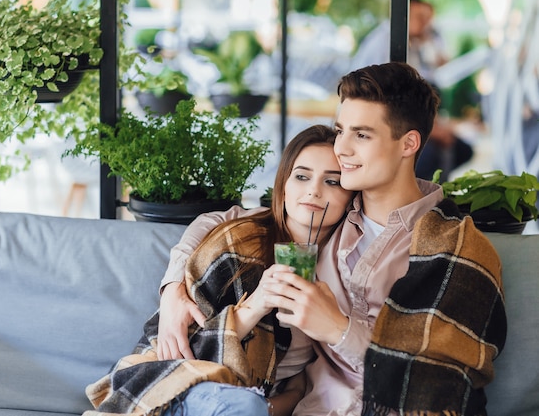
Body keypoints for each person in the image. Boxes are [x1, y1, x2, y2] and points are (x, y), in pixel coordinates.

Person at [157, 62, 506, 415]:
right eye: (341, 131)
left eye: (362, 135)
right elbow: (224, 219)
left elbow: (441, 383)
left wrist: (338, 329)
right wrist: (173, 289)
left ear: (408, 143)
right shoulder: (329, 214)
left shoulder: (455, 247)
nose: (342, 148)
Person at [82, 125, 355, 416]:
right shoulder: (238, 241)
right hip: (182, 383)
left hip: (248, 400)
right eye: (302, 176)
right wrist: (254, 303)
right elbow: (187, 348)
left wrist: (275, 403)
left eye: (333, 182)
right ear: (284, 185)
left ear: (351, 196)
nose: (314, 190)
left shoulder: (345, 268)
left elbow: (299, 386)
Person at [351, 0, 473, 182]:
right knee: (433, 153)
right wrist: (432, 131)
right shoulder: (388, 44)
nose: (427, 25)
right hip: (379, 125)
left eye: (428, 19)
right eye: (421, 17)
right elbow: (388, 103)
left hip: (400, 122)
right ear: (404, 15)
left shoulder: (413, 45)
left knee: (461, 149)